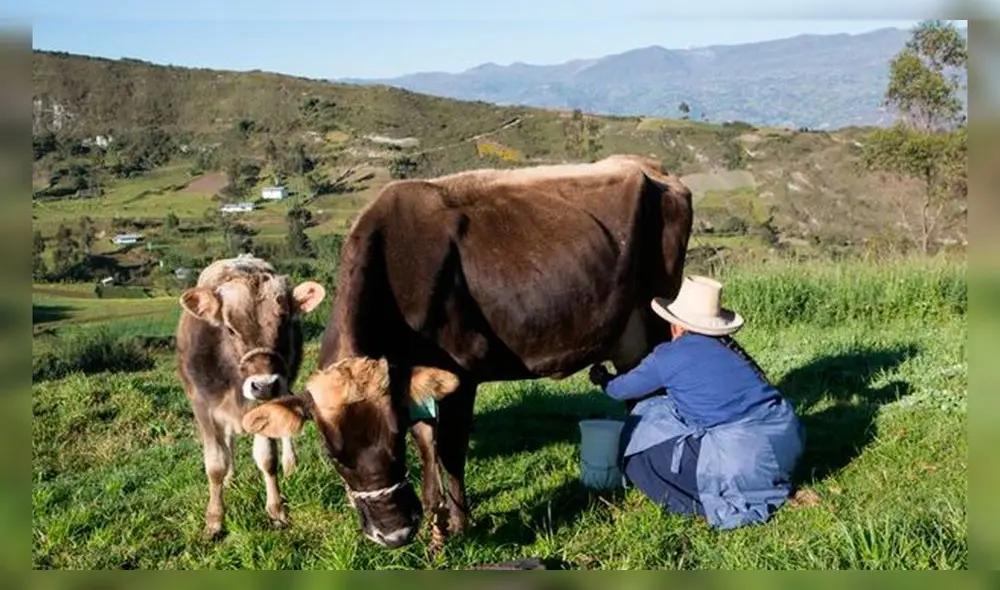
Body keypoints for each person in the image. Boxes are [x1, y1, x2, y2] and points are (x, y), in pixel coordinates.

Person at [589, 275, 805, 530]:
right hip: (788, 442)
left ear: (676, 325)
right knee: (664, 409)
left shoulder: (669, 356)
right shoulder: (731, 349)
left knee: (640, 444)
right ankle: (766, 480)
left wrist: (603, 379)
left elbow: (620, 390)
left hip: (745, 458)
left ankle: (702, 500)